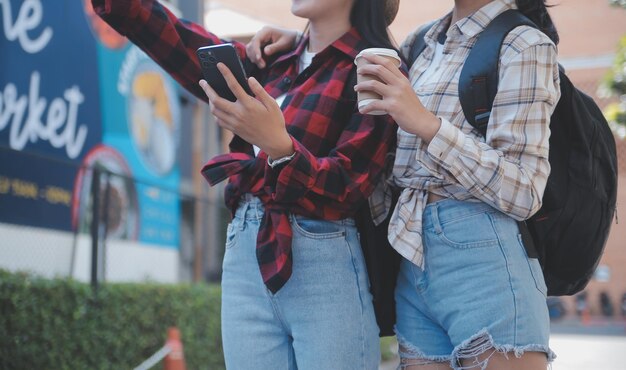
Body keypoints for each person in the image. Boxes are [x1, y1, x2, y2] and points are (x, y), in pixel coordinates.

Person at [247, 0, 561, 369]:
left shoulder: (524, 43)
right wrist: (307, 46)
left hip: (483, 253)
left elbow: (524, 189)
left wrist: (426, 124)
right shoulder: (421, 41)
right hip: (411, 254)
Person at [91, 0, 400, 369]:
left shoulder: (375, 68)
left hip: (325, 259)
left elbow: (348, 184)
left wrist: (279, 146)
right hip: (245, 253)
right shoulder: (272, 60)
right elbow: (176, 40)